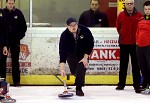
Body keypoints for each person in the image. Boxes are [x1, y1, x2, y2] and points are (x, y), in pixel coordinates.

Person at [59, 17, 94, 96]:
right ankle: (78, 79)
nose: (73, 27)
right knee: (75, 72)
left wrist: (85, 58)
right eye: (71, 26)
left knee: (81, 68)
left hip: (82, 55)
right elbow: (62, 52)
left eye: (75, 25)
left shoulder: (85, 30)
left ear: (77, 24)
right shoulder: (64, 35)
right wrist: (62, 69)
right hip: (70, 55)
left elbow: (90, 44)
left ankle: (79, 88)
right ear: (67, 26)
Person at [116, 0, 143, 93]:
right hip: (124, 44)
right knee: (123, 65)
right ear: (125, 5)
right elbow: (118, 27)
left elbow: (141, 28)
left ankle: (137, 85)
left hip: (136, 44)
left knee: (136, 65)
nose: (129, 5)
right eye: (128, 4)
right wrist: (123, 36)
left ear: (133, 4)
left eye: (131, 3)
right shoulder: (120, 15)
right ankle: (121, 84)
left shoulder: (139, 15)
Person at [1, 0, 27, 87]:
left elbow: (24, 27)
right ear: (6, 3)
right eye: (9, 3)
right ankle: (2, 82)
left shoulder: (18, 13)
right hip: (4, 41)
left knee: (15, 60)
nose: (11, 5)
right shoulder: (2, 13)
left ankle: (16, 81)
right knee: (2, 61)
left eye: (12, 3)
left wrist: (19, 36)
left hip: (15, 40)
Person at [136, 0, 150, 93]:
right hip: (140, 47)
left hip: (149, 46)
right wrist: (137, 42)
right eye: (146, 9)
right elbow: (137, 32)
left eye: (149, 9)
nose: (147, 11)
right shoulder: (141, 19)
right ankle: (145, 84)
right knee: (142, 66)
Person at [0, 8, 8, 80]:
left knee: (2, 63)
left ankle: (2, 84)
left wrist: (5, 45)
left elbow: (5, 30)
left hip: (1, 44)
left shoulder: (2, 12)